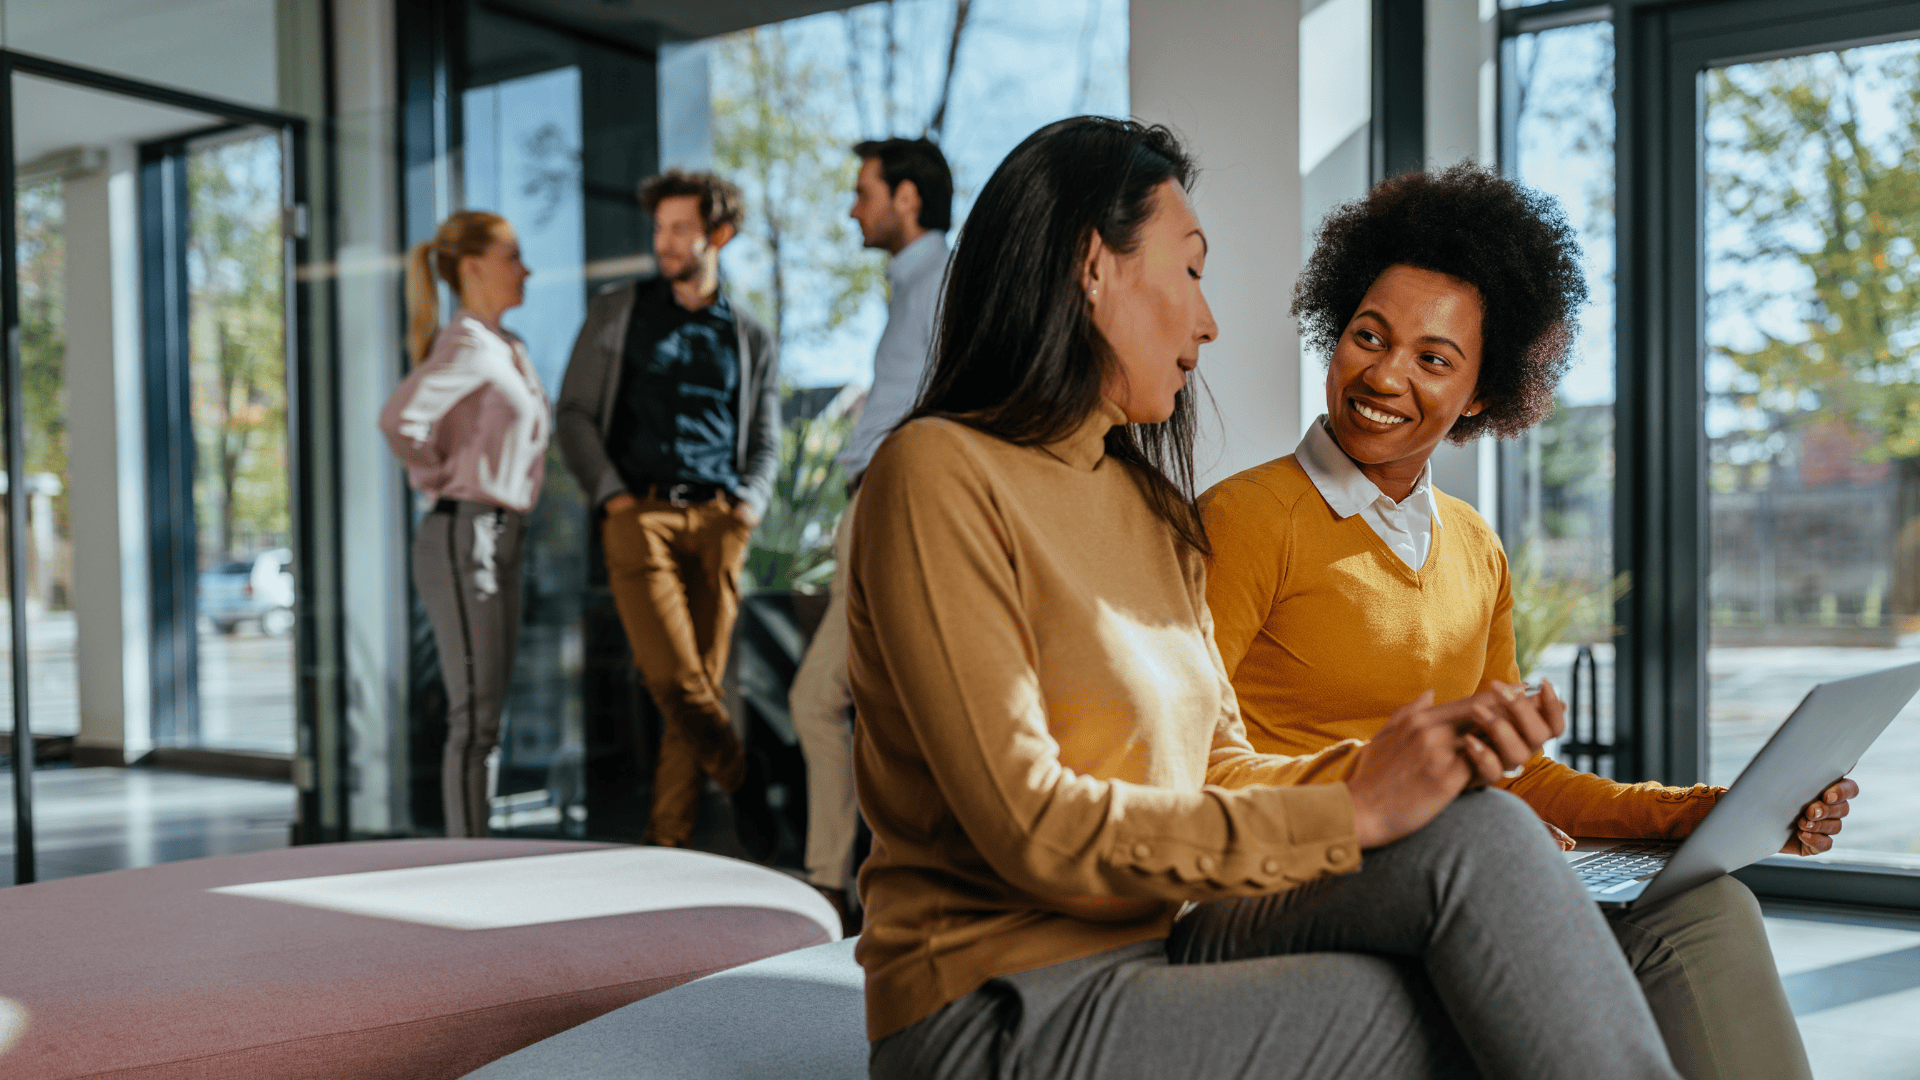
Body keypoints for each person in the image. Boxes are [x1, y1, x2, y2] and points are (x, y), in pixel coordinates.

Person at [850, 116, 1687, 1080]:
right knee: (1453, 1006)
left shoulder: (1147, 505)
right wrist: (1355, 812)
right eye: (1193, 271)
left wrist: (1406, 770)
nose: (1209, 322)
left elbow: (1220, 768)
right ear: (1094, 267)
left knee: (1483, 829)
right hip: (995, 1011)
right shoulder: (938, 473)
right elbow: (1029, 826)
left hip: (1157, 949)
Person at [1199, 162, 1851, 1080]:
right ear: (1334, 332)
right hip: (1289, 875)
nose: (1384, 374)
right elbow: (1182, 756)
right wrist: (1422, 805)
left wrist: (1704, 817)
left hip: (1455, 858)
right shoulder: (1244, 518)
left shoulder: (1475, 547)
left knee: (1706, 910)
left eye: (1433, 359)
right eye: (1367, 337)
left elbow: (1518, 780)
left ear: (1479, 395)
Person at [555, 170, 780, 849]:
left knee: (698, 684)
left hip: (720, 522)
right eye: (659, 228)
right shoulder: (616, 312)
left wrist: (749, 506)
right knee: (676, 680)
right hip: (639, 517)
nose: (664, 241)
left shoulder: (749, 336)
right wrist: (613, 498)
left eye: (680, 228)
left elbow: (766, 435)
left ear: (720, 235)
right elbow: (573, 414)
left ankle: (667, 847)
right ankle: (746, 779)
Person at [790, 136, 953, 928]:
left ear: (908, 199)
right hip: (871, 504)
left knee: (848, 701)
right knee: (834, 701)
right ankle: (840, 888)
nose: (854, 208)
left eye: (864, 192)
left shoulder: (943, 280)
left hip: (891, 504)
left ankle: (853, 889)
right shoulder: (912, 286)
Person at [380, 210, 548, 839]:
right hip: (462, 534)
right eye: (513, 256)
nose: (525, 269)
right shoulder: (468, 345)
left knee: (487, 717)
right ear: (473, 267)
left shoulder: (510, 349)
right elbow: (399, 421)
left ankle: (476, 851)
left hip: (501, 535)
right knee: (473, 715)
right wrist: (441, 481)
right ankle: (466, 862)